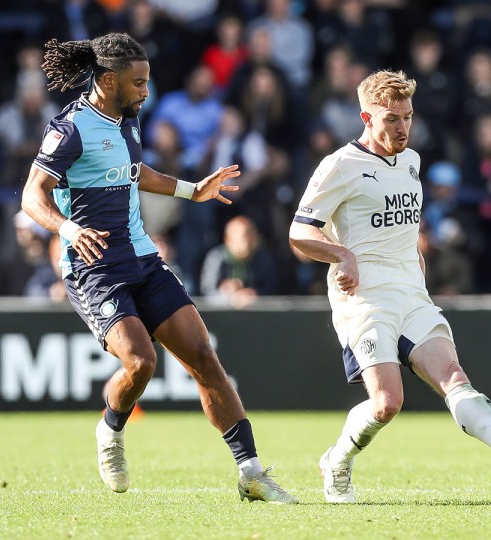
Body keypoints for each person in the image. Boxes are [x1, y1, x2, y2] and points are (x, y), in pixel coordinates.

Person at [21, 33, 296, 504]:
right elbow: (32, 195)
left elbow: (135, 172)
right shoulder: (68, 130)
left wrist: (193, 190)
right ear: (108, 80)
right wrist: (68, 230)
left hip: (142, 257)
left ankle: (251, 472)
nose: (146, 91)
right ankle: (110, 431)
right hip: (93, 268)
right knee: (141, 361)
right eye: (138, 83)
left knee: (204, 357)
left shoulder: (127, 119)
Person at [288, 69, 491, 504]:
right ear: (366, 117)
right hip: (365, 299)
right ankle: (336, 460)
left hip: (411, 294)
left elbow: (403, 225)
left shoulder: (413, 162)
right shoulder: (340, 166)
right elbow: (300, 232)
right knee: (386, 404)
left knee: (453, 377)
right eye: (392, 119)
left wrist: (417, 259)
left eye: (408, 117)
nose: (403, 128)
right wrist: (342, 255)